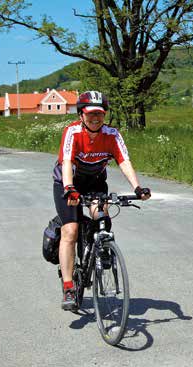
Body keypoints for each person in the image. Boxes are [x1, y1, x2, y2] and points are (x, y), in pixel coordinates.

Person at [53, 90, 151, 310]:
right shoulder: (72, 132)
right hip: (67, 183)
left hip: (95, 182)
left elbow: (124, 161)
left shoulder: (112, 135)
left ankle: (102, 248)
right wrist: (69, 189)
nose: (95, 118)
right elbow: (67, 161)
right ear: (81, 115)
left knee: (102, 216)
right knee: (70, 231)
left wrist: (137, 187)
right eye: (90, 114)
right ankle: (68, 287)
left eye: (100, 114)